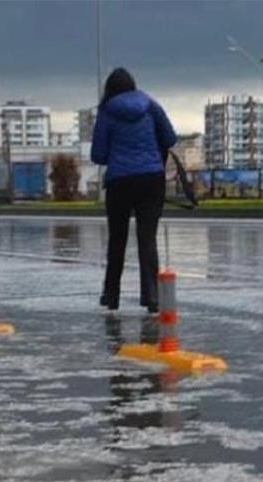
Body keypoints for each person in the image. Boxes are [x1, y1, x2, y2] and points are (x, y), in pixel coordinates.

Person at [91, 68, 177, 314]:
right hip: (151, 179)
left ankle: (111, 295)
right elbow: (170, 138)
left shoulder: (107, 112)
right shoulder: (150, 105)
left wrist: (117, 153)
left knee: (117, 239)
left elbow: (97, 154)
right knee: (147, 237)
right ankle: (151, 297)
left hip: (120, 181)